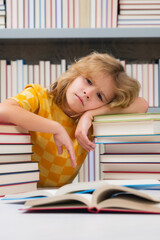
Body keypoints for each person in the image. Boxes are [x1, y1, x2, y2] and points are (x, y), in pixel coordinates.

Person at [0, 52, 148, 187]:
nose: (87, 93)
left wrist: (89, 115)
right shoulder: (39, 97)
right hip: (14, 193)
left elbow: (142, 105)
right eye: (88, 81)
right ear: (75, 74)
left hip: (52, 202)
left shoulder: (88, 126)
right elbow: (3, 109)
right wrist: (55, 127)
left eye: (100, 96)